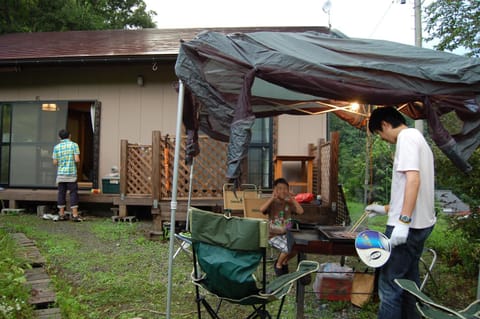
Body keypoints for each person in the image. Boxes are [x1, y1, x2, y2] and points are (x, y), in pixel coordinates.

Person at [366, 106, 436, 319]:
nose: (383, 138)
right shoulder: (419, 139)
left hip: (408, 227)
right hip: (421, 224)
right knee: (408, 284)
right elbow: (411, 188)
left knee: (389, 285)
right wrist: (384, 209)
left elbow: (413, 181)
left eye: (379, 133)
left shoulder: (406, 137)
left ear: (385, 125)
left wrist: (403, 221)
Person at [260, 177, 304, 276]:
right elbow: (261, 209)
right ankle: (278, 265)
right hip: (272, 235)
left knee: (297, 248)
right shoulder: (272, 203)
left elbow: (301, 211)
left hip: (286, 234)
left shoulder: (289, 203)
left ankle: (284, 261)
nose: (282, 191)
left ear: (288, 190)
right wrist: (272, 198)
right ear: (275, 190)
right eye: (279, 188)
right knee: (287, 248)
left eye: (285, 189)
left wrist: (292, 199)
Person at [52, 129, 81, 222]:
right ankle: (75, 214)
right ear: (70, 136)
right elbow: (77, 159)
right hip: (71, 174)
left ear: (59, 137)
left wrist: (62, 162)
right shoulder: (74, 145)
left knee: (61, 193)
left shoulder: (56, 147)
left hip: (61, 174)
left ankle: (61, 214)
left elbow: (55, 162)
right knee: (73, 193)